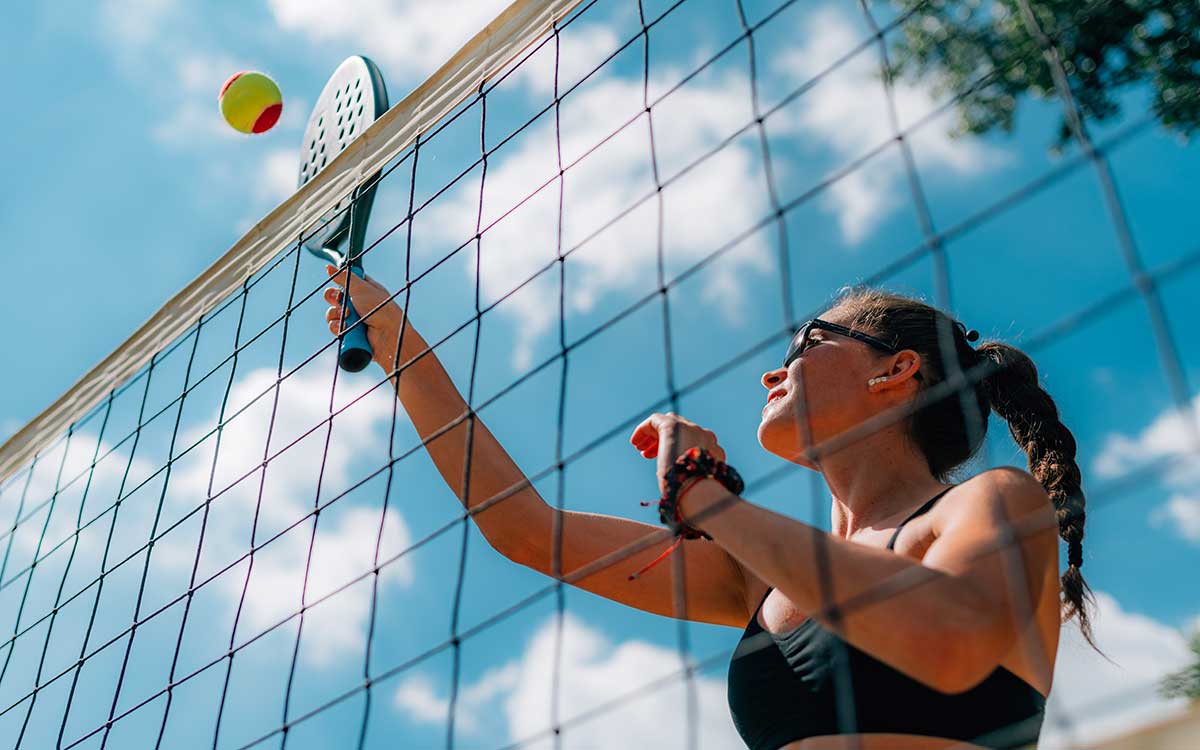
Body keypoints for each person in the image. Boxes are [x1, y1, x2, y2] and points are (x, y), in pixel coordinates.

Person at [323, 266, 1091, 750]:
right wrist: (398, 345)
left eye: (807, 345)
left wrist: (704, 498)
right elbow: (525, 531)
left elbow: (952, 642)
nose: (772, 374)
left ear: (895, 371)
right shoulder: (762, 581)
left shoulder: (995, 500)